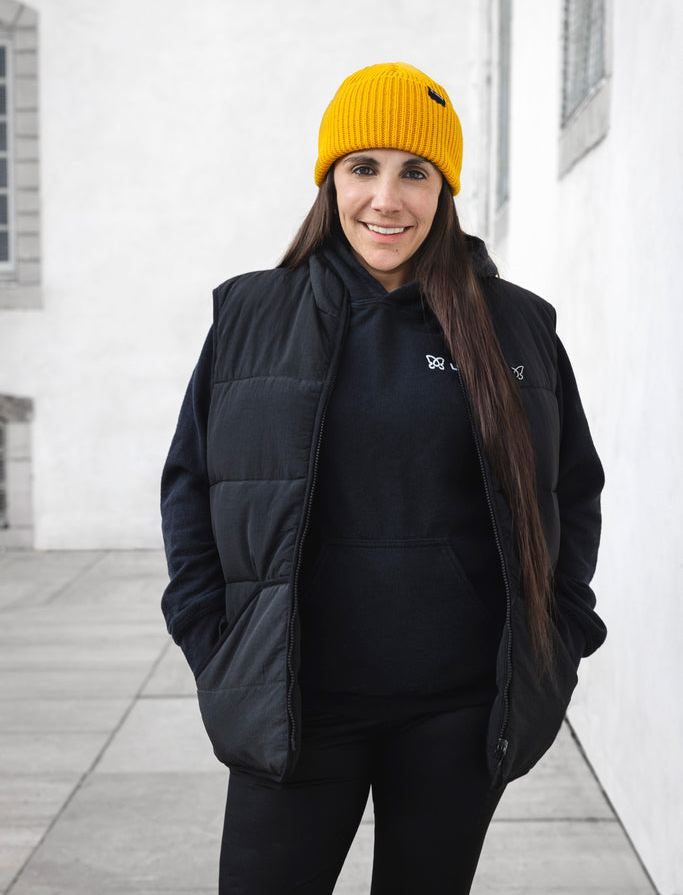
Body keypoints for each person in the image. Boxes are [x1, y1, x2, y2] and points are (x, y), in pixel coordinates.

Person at [161, 62, 606, 894]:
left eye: (415, 172)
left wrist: (564, 629)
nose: (386, 199)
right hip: (295, 700)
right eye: (362, 168)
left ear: (444, 190)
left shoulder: (515, 326)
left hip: (458, 708)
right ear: (329, 181)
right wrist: (208, 635)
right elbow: (190, 484)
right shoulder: (251, 315)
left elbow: (571, 491)